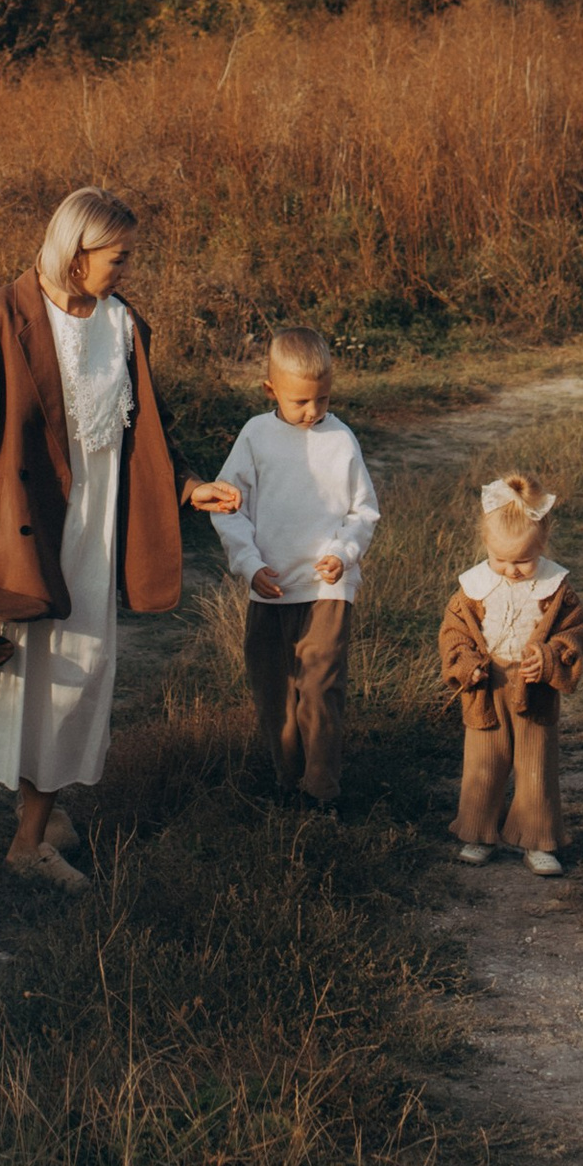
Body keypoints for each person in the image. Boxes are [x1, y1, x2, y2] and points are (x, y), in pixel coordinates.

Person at [0, 185, 240, 888]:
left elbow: (146, 428)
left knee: (78, 673)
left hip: (95, 531)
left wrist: (186, 485)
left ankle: (34, 829)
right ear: (76, 252)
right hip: (23, 525)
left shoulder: (124, 324)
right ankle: (34, 829)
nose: (127, 269)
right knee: (22, 673)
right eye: (119, 257)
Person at [208, 325, 380, 813]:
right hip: (272, 588)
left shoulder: (340, 439)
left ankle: (321, 789)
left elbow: (363, 511)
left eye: (322, 399)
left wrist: (343, 553)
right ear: (271, 390)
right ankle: (288, 782)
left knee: (320, 687)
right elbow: (228, 507)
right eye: (300, 401)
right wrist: (249, 564)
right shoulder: (255, 436)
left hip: (327, 588)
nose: (312, 411)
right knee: (274, 690)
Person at [439, 472, 583, 875]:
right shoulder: (474, 588)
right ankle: (478, 833)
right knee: (483, 762)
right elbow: (454, 634)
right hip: (487, 689)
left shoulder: (556, 589)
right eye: (500, 560)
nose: (512, 570)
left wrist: (550, 658)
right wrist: (466, 665)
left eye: (523, 561)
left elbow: (573, 632)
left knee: (536, 766)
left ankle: (537, 840)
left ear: (542, 544)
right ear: (486, 544)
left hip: (534, 689)